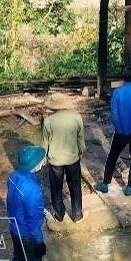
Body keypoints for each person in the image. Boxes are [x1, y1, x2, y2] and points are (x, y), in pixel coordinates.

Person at [5, 145, 52, 261]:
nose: (43, 161)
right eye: (41, 159)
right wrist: (39, 241)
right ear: (36, 164)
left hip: (15, 229)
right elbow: (33, 220)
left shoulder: (14, 176)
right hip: (28, 235)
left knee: (17, 260)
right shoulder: (33, 189)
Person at [96, 65, 131, 196]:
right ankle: (130, 186)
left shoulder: (117, 92)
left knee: (112, 156)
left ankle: (105, 183)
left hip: (121, 131)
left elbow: (115, 114)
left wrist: (120, 131)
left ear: (123, 77)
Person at [41, 93, 84, 223]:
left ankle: (59, 215)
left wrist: (43, 158)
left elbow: (44, 143)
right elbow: (80, 140)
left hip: (55, 160)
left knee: (56, 187)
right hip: (72, 158)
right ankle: (77, 215)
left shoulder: (48, 121)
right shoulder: (77, 118)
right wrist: (80, 153)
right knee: (75, 186)